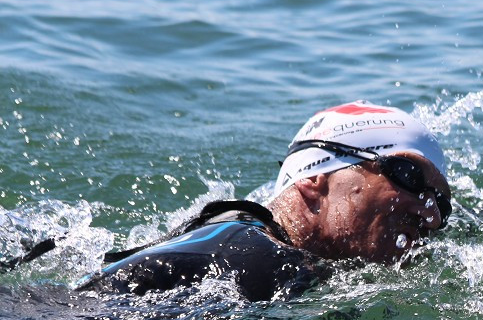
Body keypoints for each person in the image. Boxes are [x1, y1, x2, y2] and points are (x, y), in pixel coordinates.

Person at [74, 101, 452, 301]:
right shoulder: (257, 257)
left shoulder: (242, 238)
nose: (430, 214)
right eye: (408, 177)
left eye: (442, 204)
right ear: (315, 179)